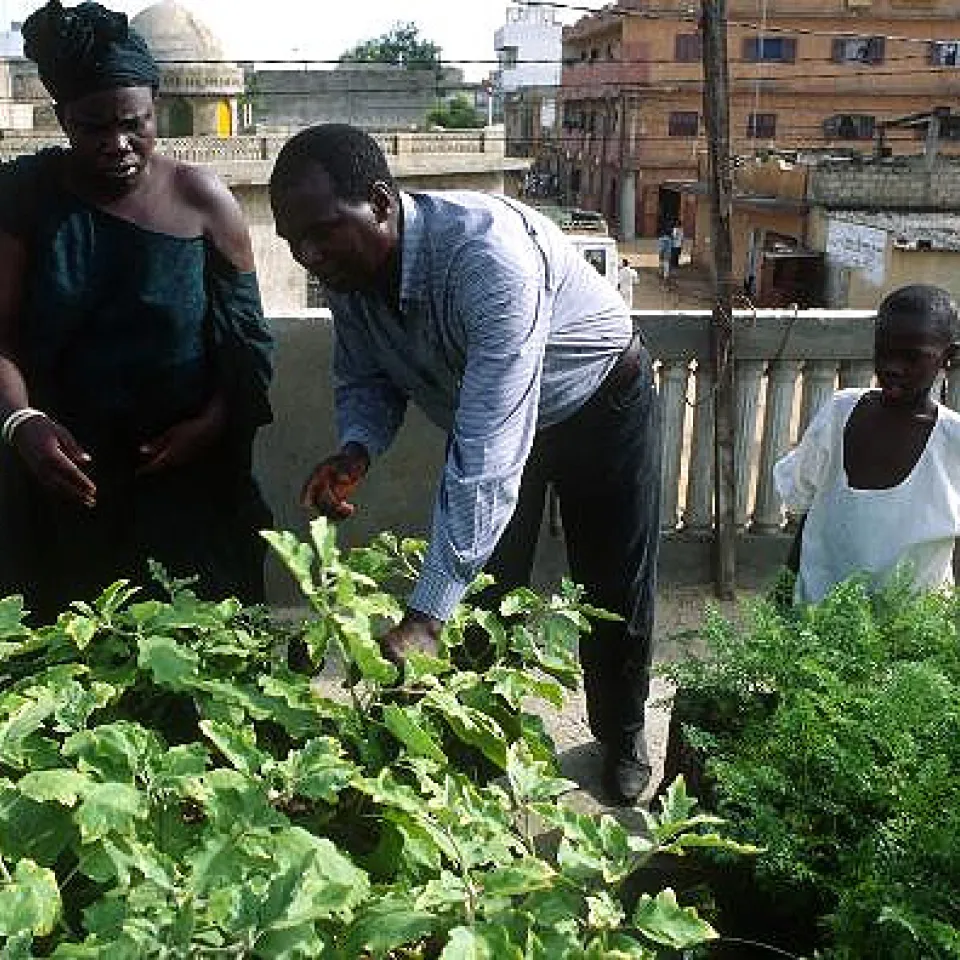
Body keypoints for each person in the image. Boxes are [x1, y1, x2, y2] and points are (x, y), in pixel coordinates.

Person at [269, 124, 661, 806]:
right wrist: (357, 448)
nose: (310, 254)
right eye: (293, 241)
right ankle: (476, 745)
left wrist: (422, 617)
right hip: (495, 417)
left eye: (323, 231)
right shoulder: (346, 275)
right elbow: (364, 376)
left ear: (380, 202)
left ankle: (622, 733)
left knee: (611, 586)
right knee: (481, 596)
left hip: (601, 401)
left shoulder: (488, 259)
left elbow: (487, 453)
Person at [0, 0, 274, 622]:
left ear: (156, 109)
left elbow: (248, 344)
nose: (118, 144)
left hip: (188, 490)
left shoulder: (203, 200)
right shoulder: (24, 201)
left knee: (197, 652)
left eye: (135, 123)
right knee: (70, 658)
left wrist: (212, 423)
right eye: (94, 127)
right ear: (63, 120)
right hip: (64, 485)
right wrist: (23, 423)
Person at [774, 285, 960, 604]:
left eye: (912, 356)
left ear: (949, 357)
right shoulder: (839, 414)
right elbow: (807, 509)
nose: (892, 367)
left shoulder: (953, 441)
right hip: (821, 614)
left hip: (912, 625)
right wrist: (784, 590)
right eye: (884, 351)